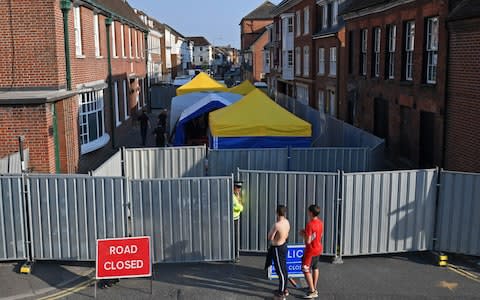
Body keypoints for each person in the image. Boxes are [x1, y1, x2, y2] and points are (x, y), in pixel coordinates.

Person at [299, 204, 324, 299]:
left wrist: (303, 234)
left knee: (305, 269)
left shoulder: (310, 224)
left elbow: (308, 240)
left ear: (310, 213)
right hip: (318, 248)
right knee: (315, 267)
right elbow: (320, 235)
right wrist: (308, 234)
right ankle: (314, 287)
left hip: (310, 250)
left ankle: (312, 291)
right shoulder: (320, 223)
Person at [267, 205, 290, 298]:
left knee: (280, 271)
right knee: (283, 268)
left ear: (277, 213)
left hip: (277, 248)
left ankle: (282, 292)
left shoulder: (277, 225)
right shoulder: (287, 222)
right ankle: (284, 288)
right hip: (284, 246)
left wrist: (274, 234)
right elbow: (287, 234)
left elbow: (270, 237)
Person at [233, 180, 244, 262]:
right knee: (234, 237)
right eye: (238, 187)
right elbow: (239, 208)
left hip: (235, 218)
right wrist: (240, 205)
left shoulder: (236, 196)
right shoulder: (233, 197)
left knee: (235, 237)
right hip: (232, 219)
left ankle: (235, 254)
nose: (239, 189)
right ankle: (234, 255)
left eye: (240, 187)